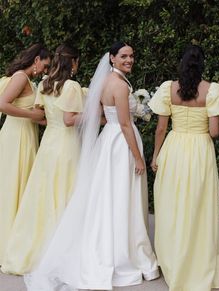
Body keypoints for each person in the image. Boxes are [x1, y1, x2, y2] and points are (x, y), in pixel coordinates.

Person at [23, 41, 159, 290]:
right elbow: (126, 125)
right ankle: (122, 252)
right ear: (112, 58)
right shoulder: (118, 84)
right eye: (124, 56)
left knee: (108, 195)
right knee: (120, 195)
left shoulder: (106, 82)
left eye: (131, 56)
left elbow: (98, 113)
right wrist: (138, 157)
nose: (129, 60)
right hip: (120, 142)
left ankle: (118, 242)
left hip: (109, 139)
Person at [148, 44, 219, 291]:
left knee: (172, 206)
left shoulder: (169, 88)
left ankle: (173, 262)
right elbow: (214, 131)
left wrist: (156, 155)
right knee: (199, 207)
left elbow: (160, 129)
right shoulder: (213, 90)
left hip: (174, 149)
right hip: (199, 151)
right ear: (202, 65)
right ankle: (196, 264)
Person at [0, 43, 87, 275]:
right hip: (63, 144)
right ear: (74, 62)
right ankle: (59, 246)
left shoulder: (45, 85)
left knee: (42, 194)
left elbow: (44, 117)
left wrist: (52, 119)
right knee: (64, 191)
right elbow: (67, 120)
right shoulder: (71, 86)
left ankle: (30, 244)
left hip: (48, 143)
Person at [0, 43, 50, 264]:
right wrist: (31, 116)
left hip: (27, 135)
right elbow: (2, 104)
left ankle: (15, 239)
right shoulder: (21, 76)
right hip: (16, 136)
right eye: (46, 66)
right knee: (14, 186)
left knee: (22, 187)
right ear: (36, 59)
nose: (46, 71)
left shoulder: (30, 81)